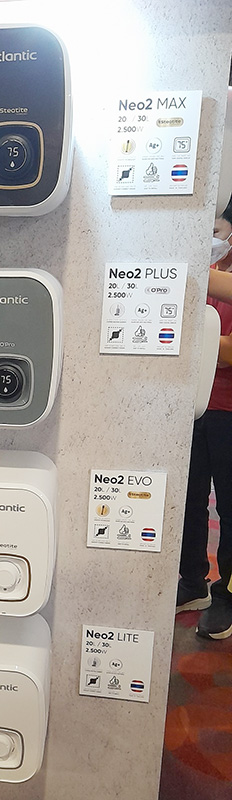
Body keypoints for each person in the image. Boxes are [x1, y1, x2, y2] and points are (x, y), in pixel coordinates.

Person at [177, 200, 232, 639]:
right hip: (193, 404)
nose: (211, 236)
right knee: (190, 498)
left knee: (228, 507)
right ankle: (191, 582)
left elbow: (224, 351)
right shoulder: (210, 270)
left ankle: (226, 594)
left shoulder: (209, 275)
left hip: (228, 408)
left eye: (216, 229)